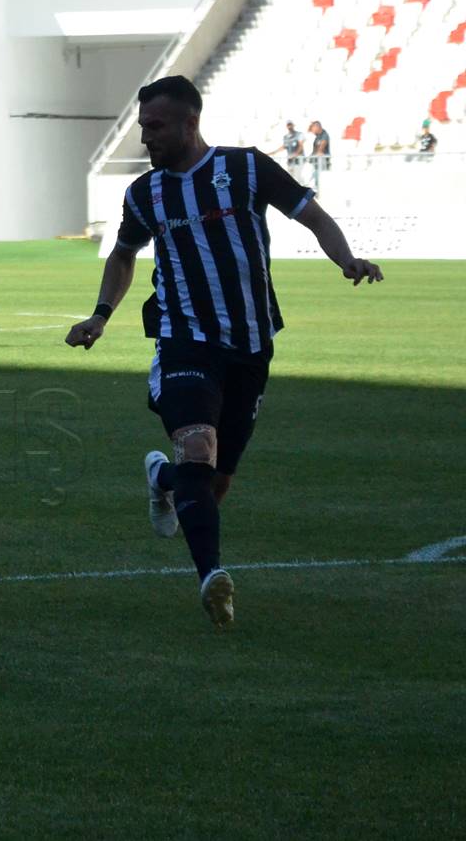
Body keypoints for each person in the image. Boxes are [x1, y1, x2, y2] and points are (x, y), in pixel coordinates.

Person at [65, 76, 382, 628]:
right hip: (184, 338)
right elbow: (123, 254)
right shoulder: (144, 193)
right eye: (143, 127)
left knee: (214, 481)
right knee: (198, 446)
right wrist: (101, 314)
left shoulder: (246, 168)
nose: (146, 137)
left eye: (156, 126)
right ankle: (212, 577)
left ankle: (163, 481)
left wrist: (346, 259)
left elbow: (312, 215)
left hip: (252, 345)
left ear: (190, 123)